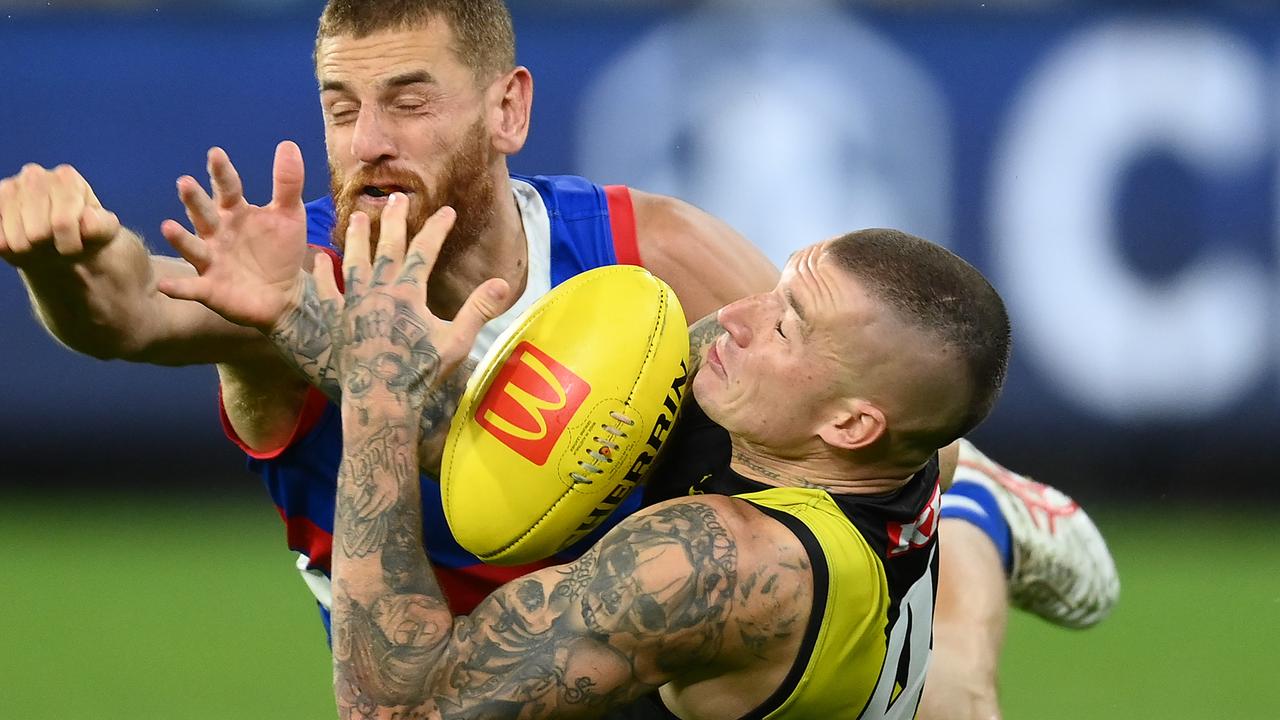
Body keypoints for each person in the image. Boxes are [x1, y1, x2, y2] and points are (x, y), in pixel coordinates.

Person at [0, 1, 1117, 717]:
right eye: (341, 107)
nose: (367, 143)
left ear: (507, 109)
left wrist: (368, 377)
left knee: (941, 675)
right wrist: (65, 256)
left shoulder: (649, 256)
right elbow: (131, 315)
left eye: (407, 100)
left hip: (573, 646)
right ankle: (968, 521)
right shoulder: (304, 270)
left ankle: (974, 509)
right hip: (574, 632)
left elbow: (858, 389)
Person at [316, 195, 1011, 718]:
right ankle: (984, 505)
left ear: (851, 424)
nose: (739, 313)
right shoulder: (889, 439)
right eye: (775, 293)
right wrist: (283, 308)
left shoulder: (722, 565)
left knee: (968, 689)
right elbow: (511, 436)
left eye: (786, 325)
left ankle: (989, 521)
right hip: (869, 632)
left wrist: (377, 409)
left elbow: (395, 706)